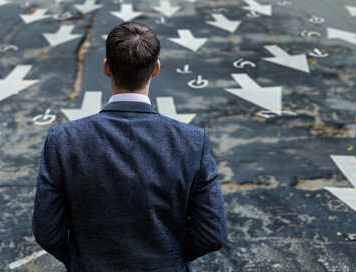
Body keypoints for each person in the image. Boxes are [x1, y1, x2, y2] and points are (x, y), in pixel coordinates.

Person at [32, 21, 228, 271]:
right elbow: (212, 233)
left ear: (106, 68)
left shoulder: (63, 139)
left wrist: (81, 260)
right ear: (155, 69)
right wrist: (170, 258)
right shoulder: (192, 141)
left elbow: (47, 231)